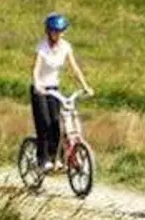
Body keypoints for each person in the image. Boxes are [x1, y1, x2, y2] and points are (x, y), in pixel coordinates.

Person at [31, 13, 94, 173]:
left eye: (60, 31)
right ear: (48, 31)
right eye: (54, 31)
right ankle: (42, 159)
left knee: (56, 123)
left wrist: (85, 86)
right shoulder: (42, 47)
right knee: (44, 123)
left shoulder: (65, 46)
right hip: (40, 89)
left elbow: (74, 68)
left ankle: (56, 158)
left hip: (54, 89)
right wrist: (37, 83)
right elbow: (36, 68)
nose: (57, 34)